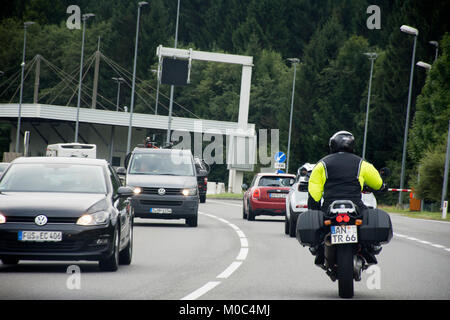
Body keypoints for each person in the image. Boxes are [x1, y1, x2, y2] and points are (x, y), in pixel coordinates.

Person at [307, 130, 386, 266]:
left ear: (332, 145)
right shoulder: (362, 164)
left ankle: (317, 247)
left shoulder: (322, 164)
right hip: (356, 206)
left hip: (329, 207)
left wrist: (314, 209)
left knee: (319, 235)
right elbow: (378, 183)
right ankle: (372, 246)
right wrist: (382, 187)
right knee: (368, 219)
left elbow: (314, 192)